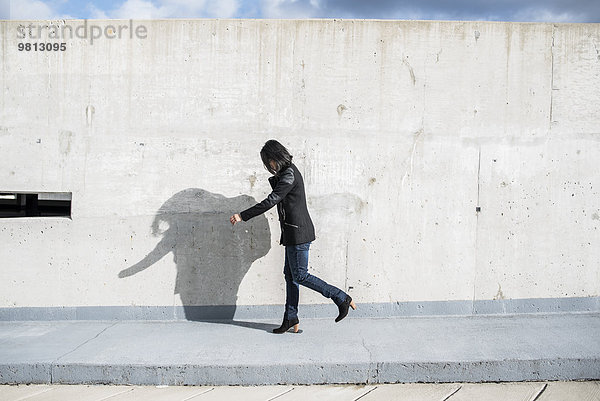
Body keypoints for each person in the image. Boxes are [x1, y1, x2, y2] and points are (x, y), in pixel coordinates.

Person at [230, 139, 356, 334]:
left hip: (298, 233)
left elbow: (272, 200)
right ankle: (290, 318)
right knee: (291, 277)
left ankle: (340, 297)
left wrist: (242, 216)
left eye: (269, 162)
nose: (269, 167)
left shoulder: (289, 174)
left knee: (300, 275)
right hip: (292, 232)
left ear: (276, 158)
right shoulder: (286, 173)